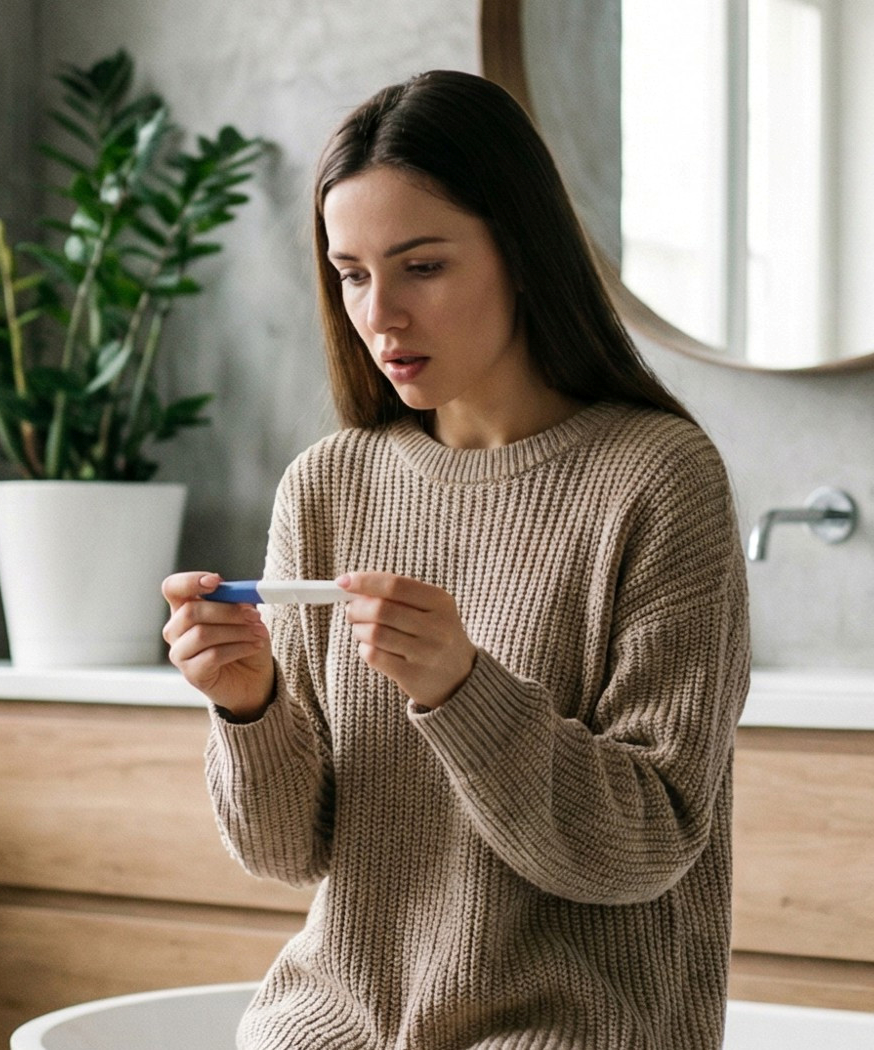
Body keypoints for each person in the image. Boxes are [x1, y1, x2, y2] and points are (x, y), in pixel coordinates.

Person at [161, 69, 750, 1050]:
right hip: (328, 1025)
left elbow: (645, 844)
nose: (379, 314)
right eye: (350, 274)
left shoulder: (655, 478)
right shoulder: (327, 485)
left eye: (421, 267)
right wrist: (247, 705)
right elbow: (285, 853)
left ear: (520, 253)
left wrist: (461, 688)